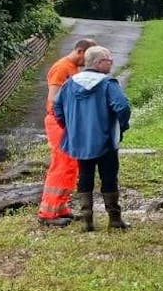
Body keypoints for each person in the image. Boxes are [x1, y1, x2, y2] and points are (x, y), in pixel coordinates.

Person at [53, 45, 132, 231]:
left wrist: (70, 127)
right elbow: (123, 107)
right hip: (105, 140)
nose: (111, 63)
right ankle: (114, 219)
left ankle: (87, 220)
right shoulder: (107, 84)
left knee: (85, 176)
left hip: (80, 141)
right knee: (109, 177)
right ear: (98, 63)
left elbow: (57, 108)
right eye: (108, 60)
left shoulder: (70, 84)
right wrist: (122, 126)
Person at [37, 37, 98, 226]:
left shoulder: (73, 69)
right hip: (58, 122)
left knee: (71, 164)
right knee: (62, 164)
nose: (87, 63)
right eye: (86, 57)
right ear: (80, 51)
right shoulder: (62, 68)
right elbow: (54, 99)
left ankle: (60, 208)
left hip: (66, 123)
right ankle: (48, 213)